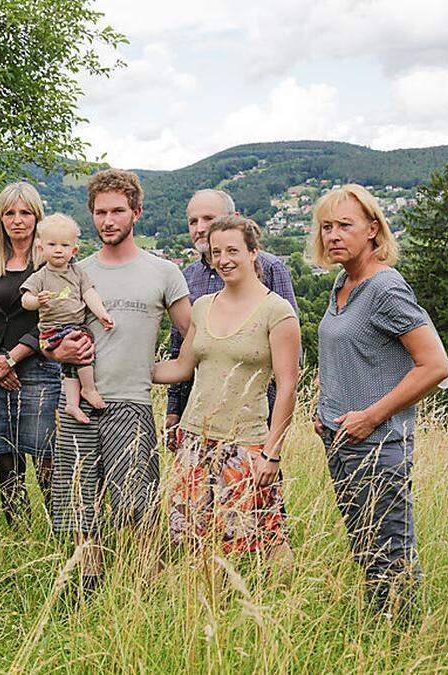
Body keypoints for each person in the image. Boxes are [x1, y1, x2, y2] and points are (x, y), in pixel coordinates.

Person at [45, 169, 191, 591]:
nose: (108, 220)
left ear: (136, 213)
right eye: (100, 212)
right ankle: (84, 590)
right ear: (91, 216)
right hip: (79, 404)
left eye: (117, 211)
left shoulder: (163, 272)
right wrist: (58, 351)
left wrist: (174, 370)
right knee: (79, 505)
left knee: (137, 507)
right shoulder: (74, 272)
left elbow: (193, 331)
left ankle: (146, 588)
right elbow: (49, 335)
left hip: (132, 403)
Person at [310, 184, 448, 615]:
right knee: (366, 549)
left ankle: (406, 643)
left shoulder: (385, 288)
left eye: (344, 226)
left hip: (378, 444)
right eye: (326, 227)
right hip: (340, 440)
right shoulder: (343, 281)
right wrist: (325, 411)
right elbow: (352, 354)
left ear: (373, 229)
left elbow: (435, 366)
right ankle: (382, 634)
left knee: (392, 553)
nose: (333, 235)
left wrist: (371, 417)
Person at [152, 215, 300, 559]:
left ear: (253, 253)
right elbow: (181, 367)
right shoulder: (202, 307)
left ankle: (282, 605)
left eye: (232, 250)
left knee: (263, 538)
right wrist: (124, 371)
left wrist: (271, 453)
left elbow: (288, 385)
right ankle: (210, 605)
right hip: (194, 441)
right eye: (216, 252)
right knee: (193, 542)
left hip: (246, 443)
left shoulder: (277, 312)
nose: (223, 259)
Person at [166, 189, 298, 449]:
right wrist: (173, 408)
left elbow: (288, 365)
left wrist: (272, 443)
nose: (200, 227)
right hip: (196, 425)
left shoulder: (272, 272)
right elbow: (179, 354)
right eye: (193, 221)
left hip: (252, 426)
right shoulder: (188, 279)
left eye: (209, 219)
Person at [0, 182, 61, 525]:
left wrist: (12, 359)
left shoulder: (50, 264)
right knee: (6, 462)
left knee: (46, 461)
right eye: (9, 213)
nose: (17, 220)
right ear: (1, 219)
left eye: (25, 213)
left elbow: (53, 322)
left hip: (38, 372)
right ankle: (18, 533)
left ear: (37, 217)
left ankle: (61, 536)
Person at [21, 213, 115, 424]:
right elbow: (25, 300)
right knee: (81, 351)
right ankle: (89, 389)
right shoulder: (40, 276)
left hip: (74, 325)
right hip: (52, 330)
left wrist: (102, 314)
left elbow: (90, 294)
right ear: (41, 248)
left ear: (74, 250)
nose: (58, 249)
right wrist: (37, 300)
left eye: (64, 245)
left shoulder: (78, 273)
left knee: (70, 367)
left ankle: (71, 405)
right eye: (52, 244)